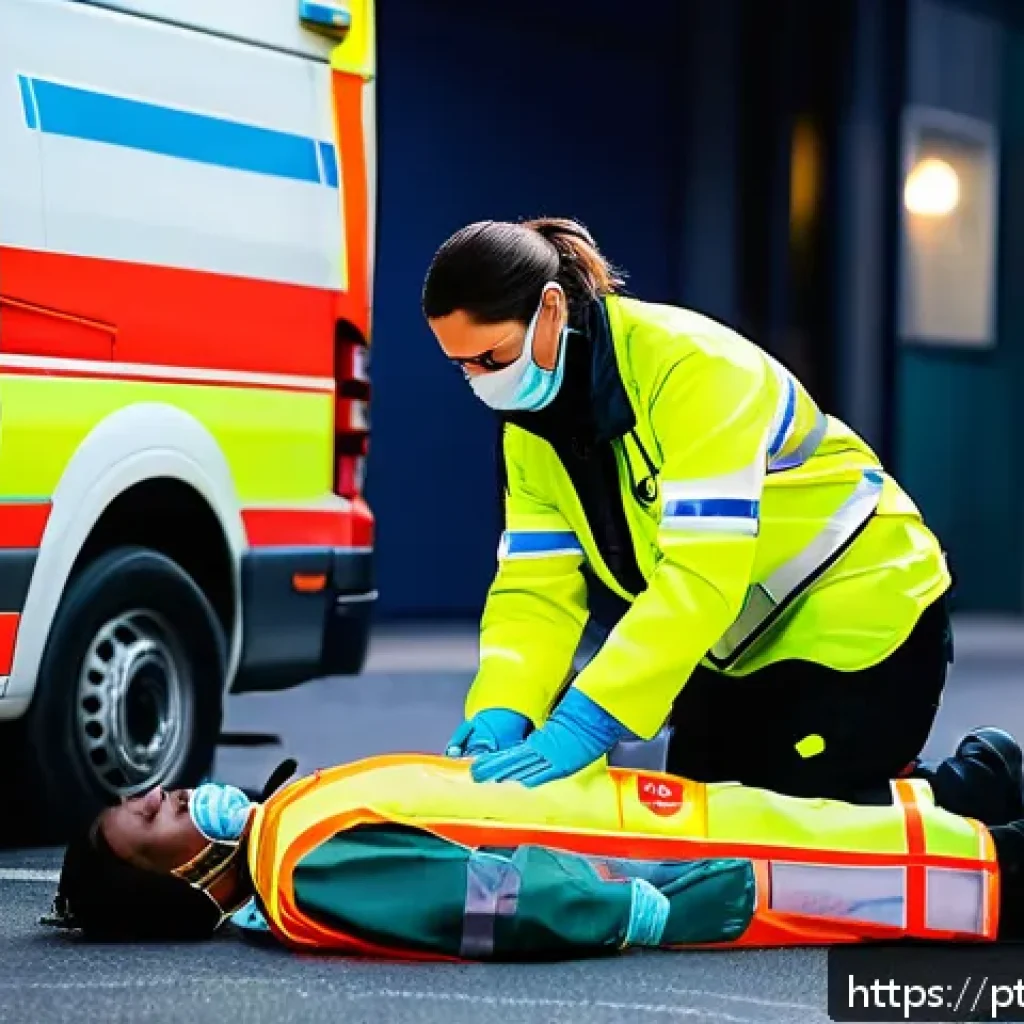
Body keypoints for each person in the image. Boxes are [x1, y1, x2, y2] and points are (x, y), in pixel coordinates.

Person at [422, 216, 989, 814]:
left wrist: (588, 720)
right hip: (735, 644)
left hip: (863, 617)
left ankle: (982, 797)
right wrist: (502, 707)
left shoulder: (693, 368)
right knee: (697, 826)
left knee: (784, 829)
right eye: (463, 366)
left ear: (553, 309)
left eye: (493, 355)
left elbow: (701, 570)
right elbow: (535, 587)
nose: (482, 380)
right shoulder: (532, 430)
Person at [42, 732, 1024, 955]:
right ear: (184, 884)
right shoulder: (301, 861)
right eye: (153, 820)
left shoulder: (289, 822)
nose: (165, 794)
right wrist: (640, 910)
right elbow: (481, 896)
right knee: (924, 869)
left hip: (665, 822)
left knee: (875, 828)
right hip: (686, 867)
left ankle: (979, 798)